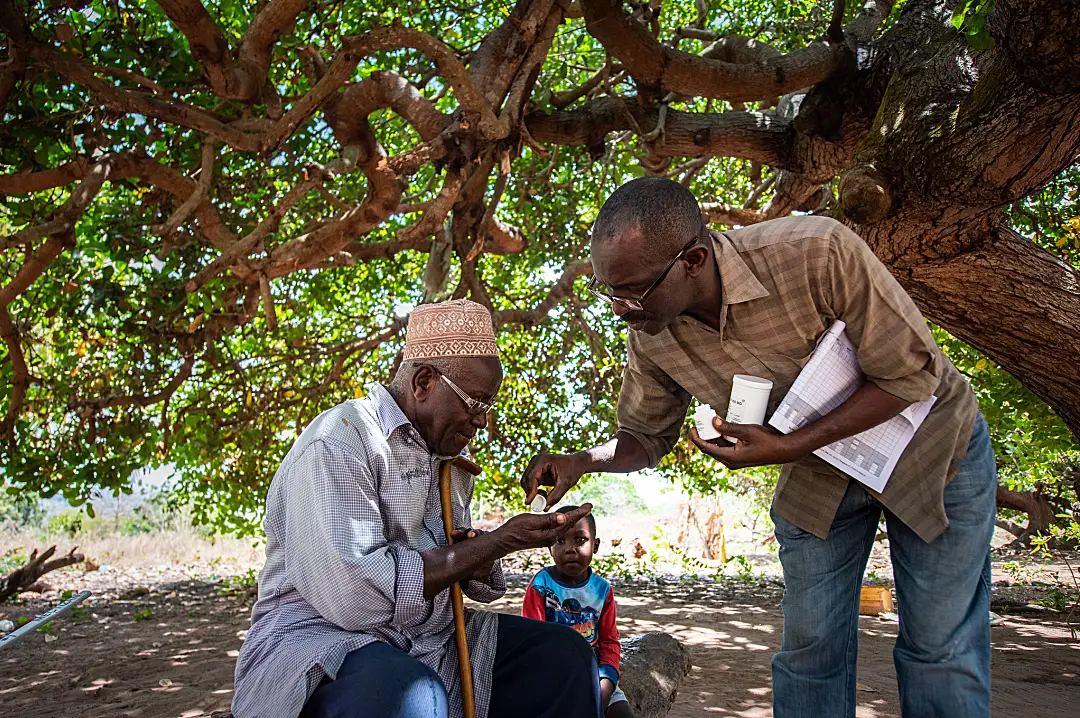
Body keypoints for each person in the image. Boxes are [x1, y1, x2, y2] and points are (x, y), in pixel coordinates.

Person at [521, 178, 995, 718]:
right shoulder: (650, 331)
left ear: (693, 260)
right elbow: (647, 437)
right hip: (821, 472)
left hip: (930, 445)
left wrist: (789, 445)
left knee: (939, 648)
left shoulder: (817, 252)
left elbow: (911, 374)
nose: (620, 311)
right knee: (810, 650)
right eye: (610, 294)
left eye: (632, 292)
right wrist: (580, 462)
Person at [233, 299, 602, 718]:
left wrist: (480, 556)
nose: (482, 422)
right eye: (476, 404)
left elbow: (455, 562)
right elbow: (356, 600)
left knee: (566, 658)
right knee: (412, 695)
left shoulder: (451, 461)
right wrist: (498, 542)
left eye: (488, 408)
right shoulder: (339, 441)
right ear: (424, 381)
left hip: (434, 641)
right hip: (323, 639)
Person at [522, 507, 634, 718]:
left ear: (596, 545)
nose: (570, 549)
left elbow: (610, 642)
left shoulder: (602, 590)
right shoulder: (541, 585)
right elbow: (532, 641)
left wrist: (607, 682)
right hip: (551, 673)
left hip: (594, 673)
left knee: (621, 713)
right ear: (549, 547)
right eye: (560, 541)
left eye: (580, 540)